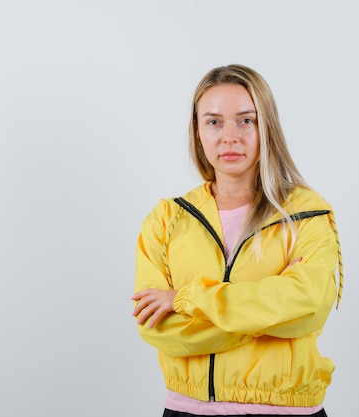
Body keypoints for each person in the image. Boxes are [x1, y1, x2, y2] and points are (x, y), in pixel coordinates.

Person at [131, 64, 343, 417]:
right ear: (197, 132)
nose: (230, 136)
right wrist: (267, 316)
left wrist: (186, 298)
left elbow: (309, 305)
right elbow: (160, 329)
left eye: (246, 120)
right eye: (214, 121)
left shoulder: (306, 214)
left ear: (267, 128)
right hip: (188, 411)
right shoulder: (167, 220)